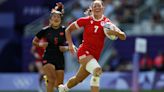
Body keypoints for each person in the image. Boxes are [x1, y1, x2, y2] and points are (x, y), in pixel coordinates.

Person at [58, 0, 126, 92]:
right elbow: (68, 30)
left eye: (99, 6)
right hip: (83, 52)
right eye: (95, 6)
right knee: (97, 70)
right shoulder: (85, 20)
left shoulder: (107, 23)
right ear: (91, 9)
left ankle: (63, 89)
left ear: (103, 8)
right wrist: (70, 45)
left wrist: (115, 32)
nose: (97, 8)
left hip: (95, 56)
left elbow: (123, 36)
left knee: (78, 79)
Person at [32, 2, 69, 92]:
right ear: (50, 20)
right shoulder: (45, 30)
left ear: (61, 19)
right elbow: (34, 42)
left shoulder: (65, 30)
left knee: (59, 85)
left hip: (60, 58)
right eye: (54, 17)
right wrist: (41, 45)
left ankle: (47, 82)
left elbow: (71, 44)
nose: (56, 19)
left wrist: (66, 48)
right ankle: (47, 81)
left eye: (58, 17)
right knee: (51, 79)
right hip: (48, 57)